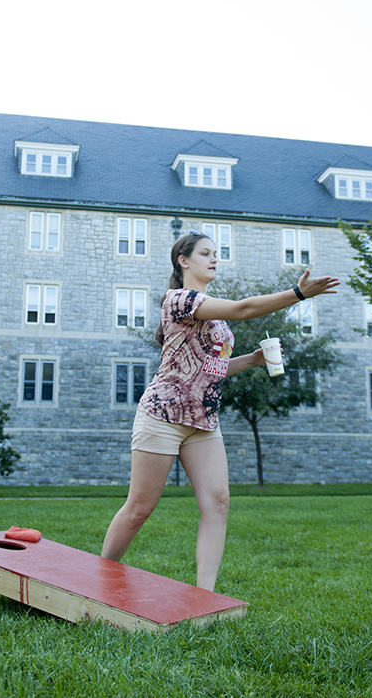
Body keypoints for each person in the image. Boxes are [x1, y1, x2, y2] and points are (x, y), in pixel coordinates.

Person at [101, 231, 340, 592]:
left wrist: (254, 360)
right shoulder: (179, 299)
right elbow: (244, 308)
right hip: (164, 414)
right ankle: (100, 575)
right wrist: (298, 294)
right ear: (183, 261)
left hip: (203, 421)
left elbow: (213, 367)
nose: (215, 259)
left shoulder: (214, 319)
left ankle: (205, 595)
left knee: (218, 502)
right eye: (206, 253)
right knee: (140, 508)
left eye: (217, 253)